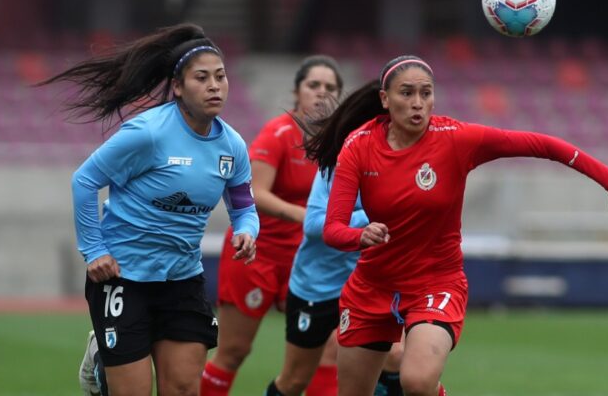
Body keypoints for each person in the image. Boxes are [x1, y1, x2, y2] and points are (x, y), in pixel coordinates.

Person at [303, 55, 608, 396]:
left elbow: (541, 144)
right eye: (406, 93)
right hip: (372, 286)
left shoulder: (456, 139)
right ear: (385, 99)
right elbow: (333, 229)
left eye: (426, 93)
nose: (417, 103)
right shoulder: (358, 146)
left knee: (416, 382)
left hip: (435, 282)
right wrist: (359, 235)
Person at [41, 23, 259, 396]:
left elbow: (243, 207)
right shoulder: (149, 133)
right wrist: (94, 251)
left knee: (184, 389)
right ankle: (103, 359)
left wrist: (247, 231)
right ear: (177, 86)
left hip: (183, 279)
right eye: (202, 78)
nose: (214, 86)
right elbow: (85, 180)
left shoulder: (232, 145)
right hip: (125, 276)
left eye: (220, 77)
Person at [201, 56, 344, 396]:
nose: (321, 93)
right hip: (255, 252)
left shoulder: (342, 144)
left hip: (304, 259)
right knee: (234, 351)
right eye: (313, 85)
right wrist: (305, 216)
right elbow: (254, 193)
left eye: (330, 87)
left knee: (329, 350)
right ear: (297, 92)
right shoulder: (279, 133)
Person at [264, 170, 405, 396]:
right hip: (316, 287)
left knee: (394, 356)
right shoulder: (334, 170)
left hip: (369, 283)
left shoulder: (397, 169)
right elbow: (312, 224)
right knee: (294, 381)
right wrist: (370, 218)